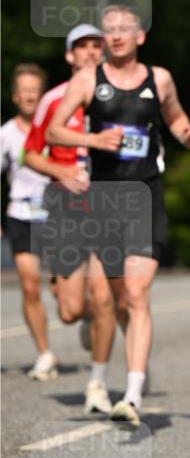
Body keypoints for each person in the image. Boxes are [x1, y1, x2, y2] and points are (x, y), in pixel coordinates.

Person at [45, 5, 190, 425]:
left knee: (136, 294)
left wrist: (187, 132)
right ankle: (109, 349)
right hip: (105, 198)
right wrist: (94, 139)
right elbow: (54, 131)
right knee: (116, 296)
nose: (116, 36)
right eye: (109, 30)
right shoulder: (86, 80)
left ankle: (132, 394)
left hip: (145, 194)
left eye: (124, 29)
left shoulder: (160, 78)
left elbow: (174, 115)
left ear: (140, 37)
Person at [23, 27, 117, 411]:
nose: (92, 52)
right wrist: (59, 172)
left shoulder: (117, 96)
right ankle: (81, 311)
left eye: (98, 46)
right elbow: (30, 154)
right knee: (71, 310)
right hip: (66, 210)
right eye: (83, 47)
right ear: (69, 57)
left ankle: (97, 383)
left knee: (104, 295)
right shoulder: (54, 99)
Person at [1, 63, 55, 379]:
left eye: (35, 89)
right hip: (21, 214)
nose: (30, 95)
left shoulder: (56, 128)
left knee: (68, 299)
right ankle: (44, 352)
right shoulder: (6, 135)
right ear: (14, 96)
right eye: (24, 90)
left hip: (59, 215)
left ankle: (87, 314)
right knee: (30, 285)